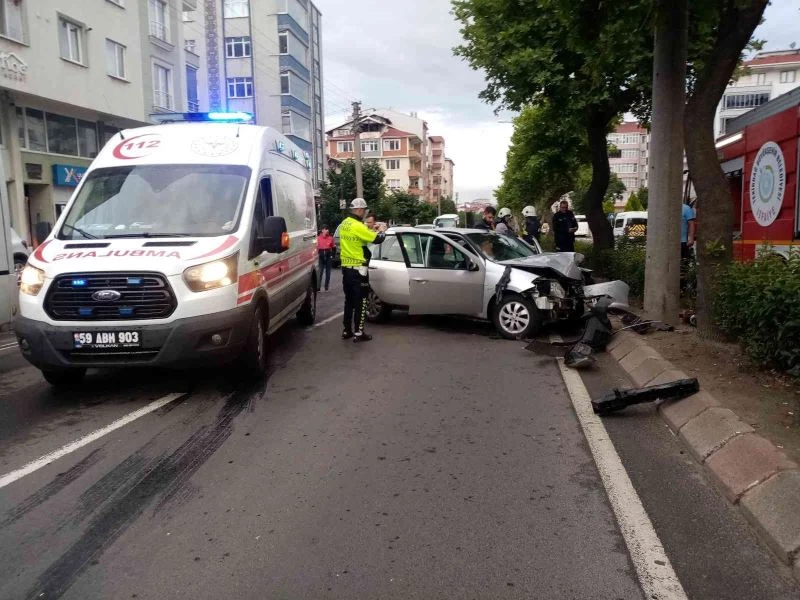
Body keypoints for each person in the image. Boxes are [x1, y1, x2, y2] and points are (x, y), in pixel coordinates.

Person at [339, 198, 387, 342]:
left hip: (346, 268)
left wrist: (371, 230)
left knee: (349, 301)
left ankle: (347, 330)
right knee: (361, 301)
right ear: (359, 210)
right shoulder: (358, 226)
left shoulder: (344, 224)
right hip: (358, 269)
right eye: (364, 210)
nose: (365, 213)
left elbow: (360, 238)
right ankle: (359, 332)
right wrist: (382, 231)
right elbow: (378, 239)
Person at [680, 200, 697, 290]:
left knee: (683, 265)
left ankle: (682, 287)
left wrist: (691, 238)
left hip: (683, 242)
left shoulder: (686, 208)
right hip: (669, 244)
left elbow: (691, 224)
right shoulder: (666, 209)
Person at [316, 226, 335, 292]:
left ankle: (326, 287)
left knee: (328, 272)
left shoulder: (330, 238)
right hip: (321, 255)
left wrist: (332, 256)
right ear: (322, 230)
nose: (327, 230)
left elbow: (333, 247)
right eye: (326, 229)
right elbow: (316, 247)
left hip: (328, 255)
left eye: (328, 229)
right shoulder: (318, 238)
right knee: (320, 272)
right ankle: (318, 287)